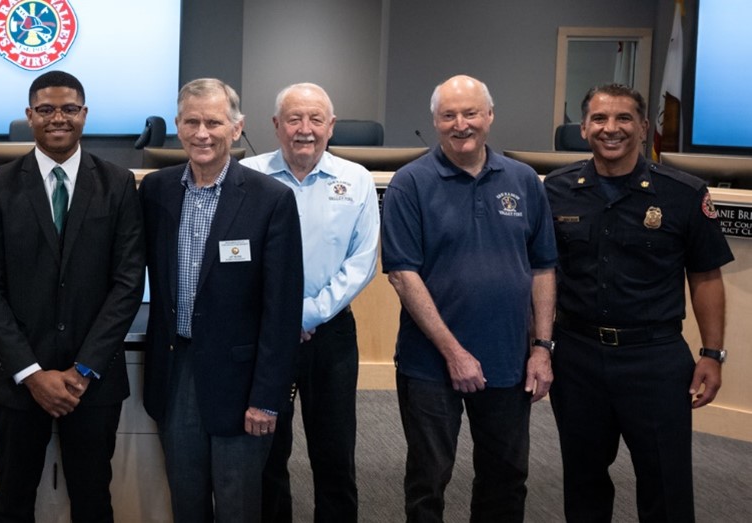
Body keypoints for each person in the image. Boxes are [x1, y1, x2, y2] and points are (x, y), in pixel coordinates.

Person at [544, 83, 732, 523]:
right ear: (585, 127)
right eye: (600, 119)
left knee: (665, 483)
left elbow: (705, 277)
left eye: (624, 118)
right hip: (577, 356)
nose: (612, 129)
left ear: (644, 127)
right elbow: (541, 273)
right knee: (583, 479)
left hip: (655, 358)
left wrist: (712, 353)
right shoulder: (555, 190)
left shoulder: (682, 193)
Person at [0, 70, 145, 523]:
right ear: (29, 116)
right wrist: (31, 373)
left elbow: (128, 283)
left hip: (93, 380)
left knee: (93, 501)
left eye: (69, 109)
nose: (58, 118)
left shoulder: (119, 183)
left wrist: (83, 369)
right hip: (19, 377)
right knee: (12, 501)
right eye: (46, 109)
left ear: (84, 114)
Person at [380, 74, 557, 522]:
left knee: (505, 478)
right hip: (429, 365)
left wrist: (541, 349)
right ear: (435, 122)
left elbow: (543, 268)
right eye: (449, 115)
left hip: (508, 359)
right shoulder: (410, 183)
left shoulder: (524, 181)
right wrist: (455, 353)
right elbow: (403, 275)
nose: (461, 124)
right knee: (429, 478)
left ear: (490, 117)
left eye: (471, 113)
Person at [139, 78, 304, 522]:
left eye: (214, 122)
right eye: (191, 122)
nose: (202, 133)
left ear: (236, 128)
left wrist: (268, 397)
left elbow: (283, 310)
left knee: (238, 507)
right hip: (176, 372)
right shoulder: (156, 191)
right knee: (187, 504)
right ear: (177, 125)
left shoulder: (271, 200)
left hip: (242, 382)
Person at [241, 83, 378, 523]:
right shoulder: (248, 174)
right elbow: (238, 257)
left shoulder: (356, 179)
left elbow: (363, 262)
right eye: (294, 119)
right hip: (262, 334)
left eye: (315, 119)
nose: (305, 130)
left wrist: (305, 313)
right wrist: (280, 318)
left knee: (334, 451)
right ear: (276, 126)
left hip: (331, 333)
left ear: (331, 125)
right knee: (266, 451)